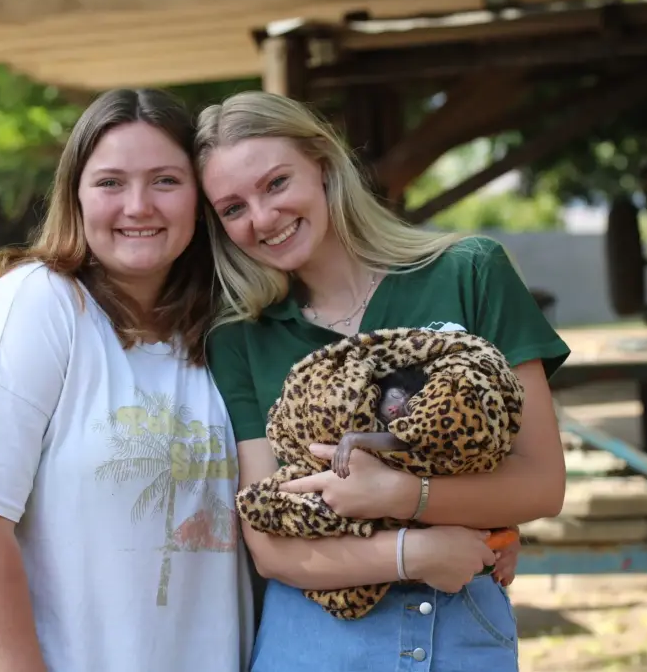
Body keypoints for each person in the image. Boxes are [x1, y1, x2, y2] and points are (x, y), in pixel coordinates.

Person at [195, 90, 570, 671]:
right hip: (313, 638)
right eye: (232, 208)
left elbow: (542, 484)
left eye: (275, 183)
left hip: (460, 622)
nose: (262, 218)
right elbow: (269, 544)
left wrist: (402, 494)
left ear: (322, 165)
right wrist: (410, 550)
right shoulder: (240, 337)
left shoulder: (470, 272)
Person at [0, 88, 255, 672]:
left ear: (200, 197)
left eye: (165, 180)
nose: (138, 205)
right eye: (111, 182)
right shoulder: (34, 306)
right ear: (76, 196)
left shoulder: (220, 331)